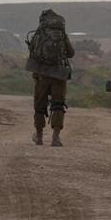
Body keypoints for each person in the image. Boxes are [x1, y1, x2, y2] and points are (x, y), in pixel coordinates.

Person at [27, 9, 75, 147]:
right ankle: (55, 137)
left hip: (41, 74)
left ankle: (39, 136)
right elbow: (71, 53)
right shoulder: (61, 33)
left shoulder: (40, 32)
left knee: (40, 106)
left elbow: (33, 52)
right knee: (58, 105)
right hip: (59, 74)